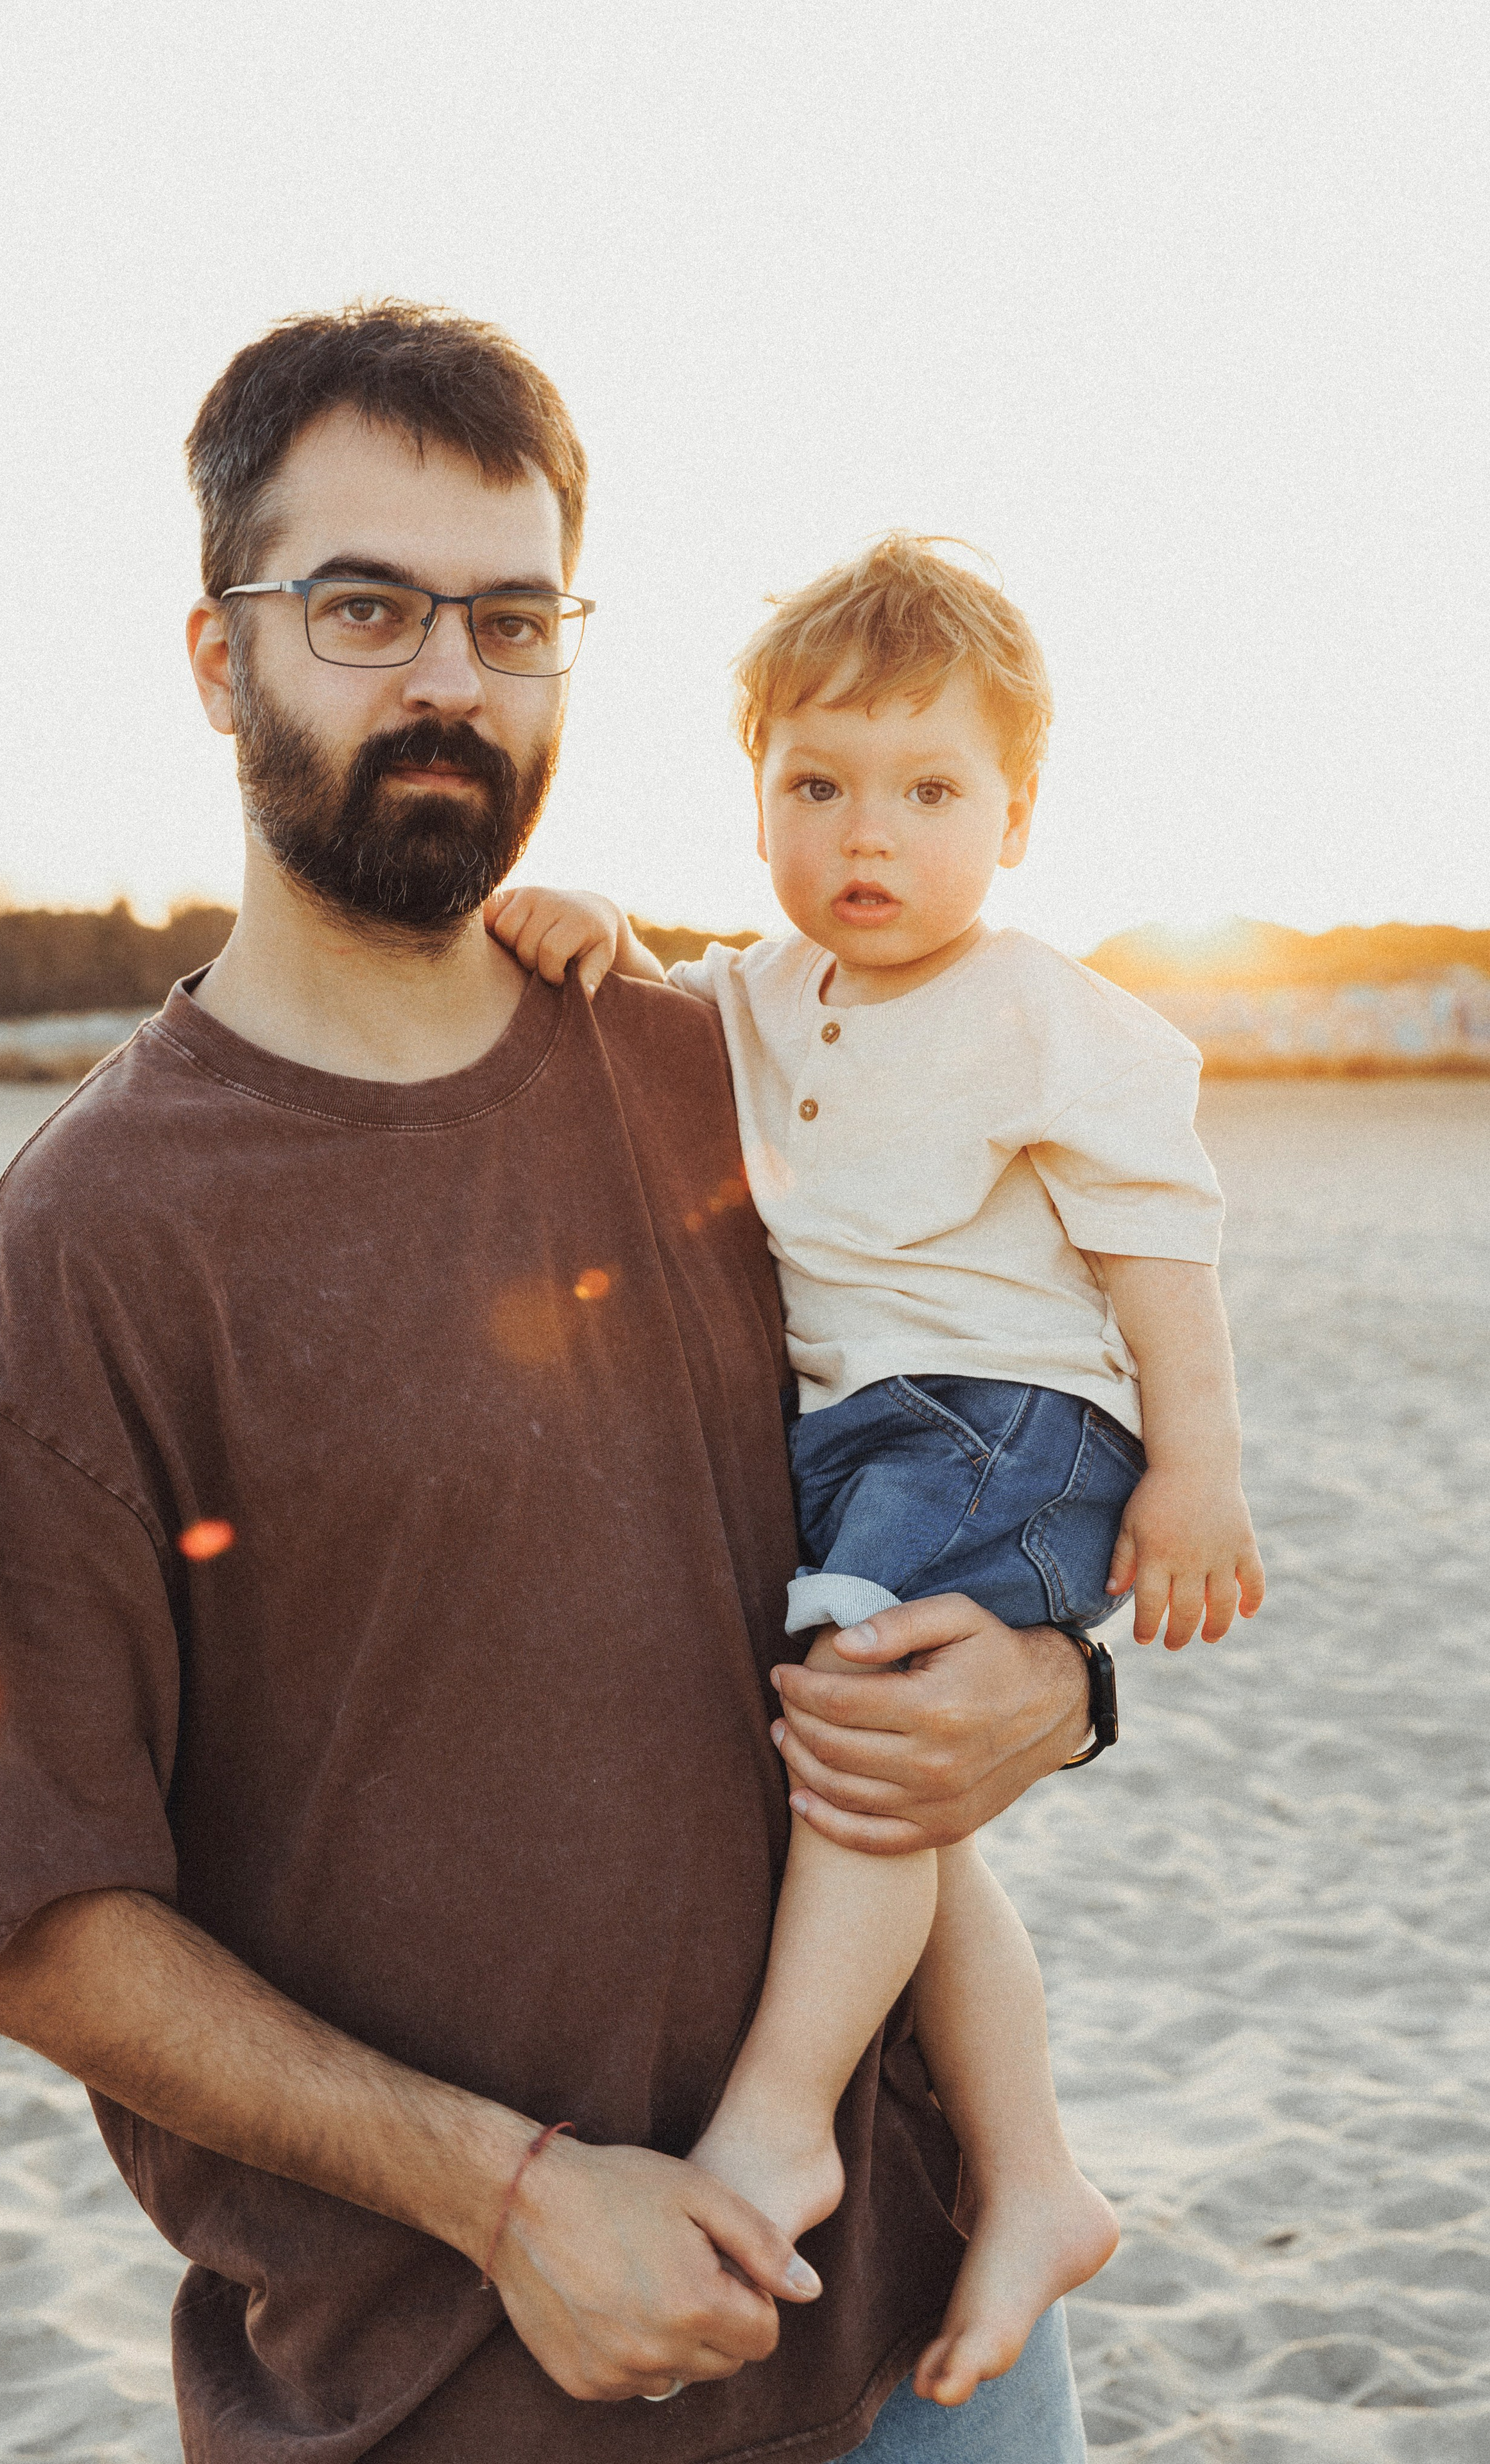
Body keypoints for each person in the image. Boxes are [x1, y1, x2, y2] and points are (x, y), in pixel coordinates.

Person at [0, 310, 1100, 2464]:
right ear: (217, 656)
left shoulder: (727, 1071)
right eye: (363, 608)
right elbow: (19, 1918)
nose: (447, 676)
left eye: (511, 619)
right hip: (454, 2399)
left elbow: (992, 1438)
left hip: (925, 2347)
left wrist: (1060, 1694)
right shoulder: (86, 1256)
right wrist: (504, 2195)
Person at [487, 533, 1266, 2404]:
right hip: (859, 1440)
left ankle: (781, 2111)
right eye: (814, 783)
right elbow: (657, 1005)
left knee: (854, 1726)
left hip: (1007, 1417)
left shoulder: (1038, 1005)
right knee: (901, 1798)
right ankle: (1035, 2175)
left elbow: (1163, 1248)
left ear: (1014, 811)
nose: (869, 832)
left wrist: (1194, 1475)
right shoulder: (764, 992)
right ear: (753, 792)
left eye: (929, 790)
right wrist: (589, 921)